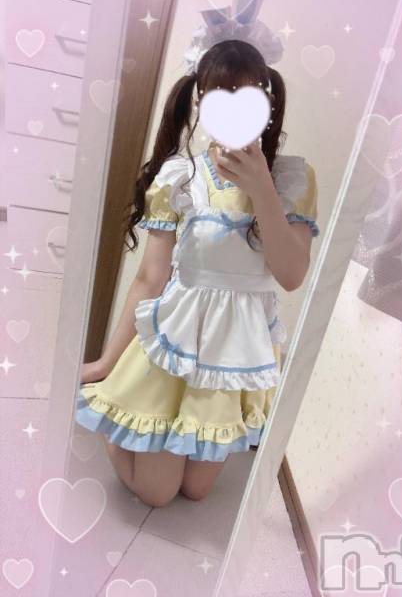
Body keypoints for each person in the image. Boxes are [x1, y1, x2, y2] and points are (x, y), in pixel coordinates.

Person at [75, 38, 319, 508]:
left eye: (247, 95)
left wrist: (262, 190)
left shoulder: (293, 180)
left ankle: (157, 438)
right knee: (158, 494)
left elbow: (291, 276)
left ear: (267, 103)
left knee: (196, 490)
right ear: (200, 102)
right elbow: (150, 279)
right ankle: (117, 421)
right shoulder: (180, 176)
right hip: (176, 345)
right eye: (220, 96)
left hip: (234, 355)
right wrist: (105, 364)